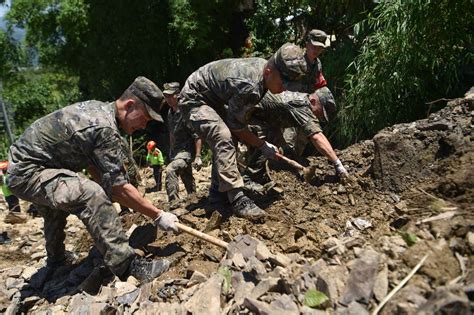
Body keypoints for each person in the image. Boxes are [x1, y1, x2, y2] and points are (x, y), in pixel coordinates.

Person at [6, 76, 179, 284]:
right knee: (89, 192)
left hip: (32, 168)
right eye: (145, 118)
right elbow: (118, 188)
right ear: (130, 105)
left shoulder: (99, 111)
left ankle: (56, 262)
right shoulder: (104, 128)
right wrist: (158, 215)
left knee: (59, 205)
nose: (144, 125)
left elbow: (95, 167)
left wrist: (112, 195)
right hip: (28, 171)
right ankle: (127, 265)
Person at [178, 43, 307, 219]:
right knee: (223, 135)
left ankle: (217, 193)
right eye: (284, 82)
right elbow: (236, 126)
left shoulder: (263, 77)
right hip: (194, 98)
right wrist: (262, 145)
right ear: (269, 71)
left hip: (213, 98)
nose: (285, 87)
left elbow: (239, 123)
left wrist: (260, 143)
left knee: (229, 138)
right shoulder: (251, 85)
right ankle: (237, 198)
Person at [245, 89, 348, 183]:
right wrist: (338, 164)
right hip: (247, 113)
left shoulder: (299, 101)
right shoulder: (302, 105)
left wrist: (282, 144)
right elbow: (316, 136)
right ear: (313, 101)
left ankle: (258, 177)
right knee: (264, 147)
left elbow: (273, 122)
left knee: (279, 148)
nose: (319, 116)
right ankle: (249, 180)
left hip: (261, 117)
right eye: (321, 112)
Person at [162, 82, 202, 209]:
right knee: (187, 178)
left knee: (170, 170)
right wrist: (171, 150)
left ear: (178, 95)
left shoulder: (185, 111)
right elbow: (172, 133)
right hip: (176, 152)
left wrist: (198, 156)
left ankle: (174, 204)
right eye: (166, 96)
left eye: (170, 96)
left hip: (186, 152)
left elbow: (197, 135)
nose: (167, 99)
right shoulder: (170, 113)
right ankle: (194, 199)